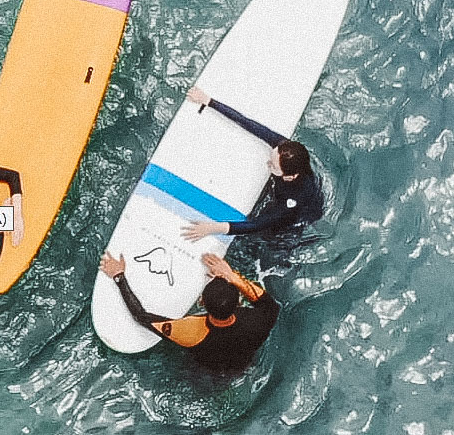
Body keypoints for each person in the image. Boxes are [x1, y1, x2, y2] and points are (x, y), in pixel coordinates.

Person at [179, 86, 325, 243]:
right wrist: (208, 101)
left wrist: (211, 228)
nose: (268, 163)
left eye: (273, 166)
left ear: (289, 176)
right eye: (271, 158)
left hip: (297, 214)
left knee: (266, 237)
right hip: (284, 190)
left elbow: (256, 225)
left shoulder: (293, 199)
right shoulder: (284, 148)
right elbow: (247, 123)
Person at [100, 250, 280, 372]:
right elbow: (268, 303)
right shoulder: (261, 320)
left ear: (201, 302)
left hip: (206, 367)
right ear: (239, 302)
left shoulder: (190, 331)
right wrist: (230, 275)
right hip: (242, 364)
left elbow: (140, 316)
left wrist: (119, 276)